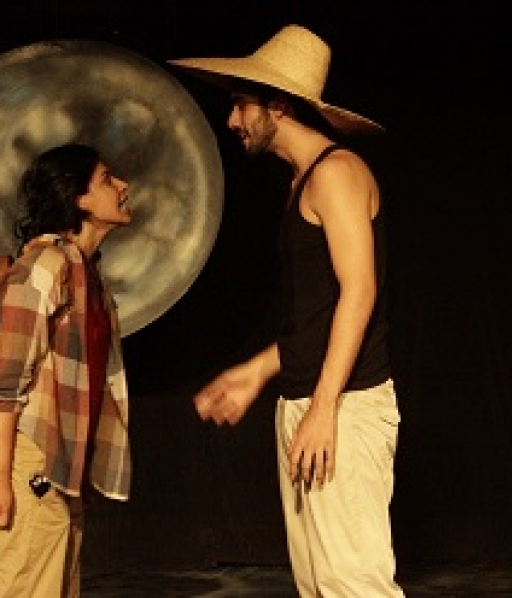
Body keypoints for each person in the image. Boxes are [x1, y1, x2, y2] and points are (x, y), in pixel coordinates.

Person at [169, 25, 404, 597]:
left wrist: (323, 409)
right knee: (320, 586)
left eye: (241, 105)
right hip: (310, 401)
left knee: (355, 586)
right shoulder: (302, 181)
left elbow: (359, 292)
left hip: (343, 405)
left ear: (278, 106)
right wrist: (258, 371)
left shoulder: (337, 174)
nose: (233, 121)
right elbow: (317, 316)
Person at [0, 142, 133, 597]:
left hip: (58, 461)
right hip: (25, 456)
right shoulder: (44, 266)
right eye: (107, 179)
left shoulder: (87, 274)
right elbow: (5, 380)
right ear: (78, 199)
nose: (123, 186)